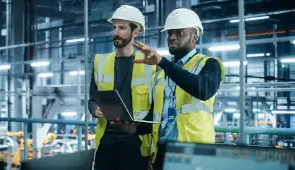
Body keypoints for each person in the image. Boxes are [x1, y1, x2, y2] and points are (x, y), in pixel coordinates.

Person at [132, 8, 225, 169]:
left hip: (194, 155)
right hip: (161, 152)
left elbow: (204, 90)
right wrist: (131, 125)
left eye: (179, 32)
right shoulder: (162, 74)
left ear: (195, 35)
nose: (172, 37)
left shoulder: (209, 64)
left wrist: (163, 62)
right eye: (169, 33)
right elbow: (156, 117)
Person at [88, 5, 165, 170]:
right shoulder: (99, 62)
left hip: (136, 144)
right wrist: (95, 110)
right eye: (114, 27)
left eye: (122, 28)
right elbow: (92, 98)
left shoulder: (151, 65)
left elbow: (157, 108)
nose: (116, 32)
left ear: (135, 32)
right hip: (106, 141)